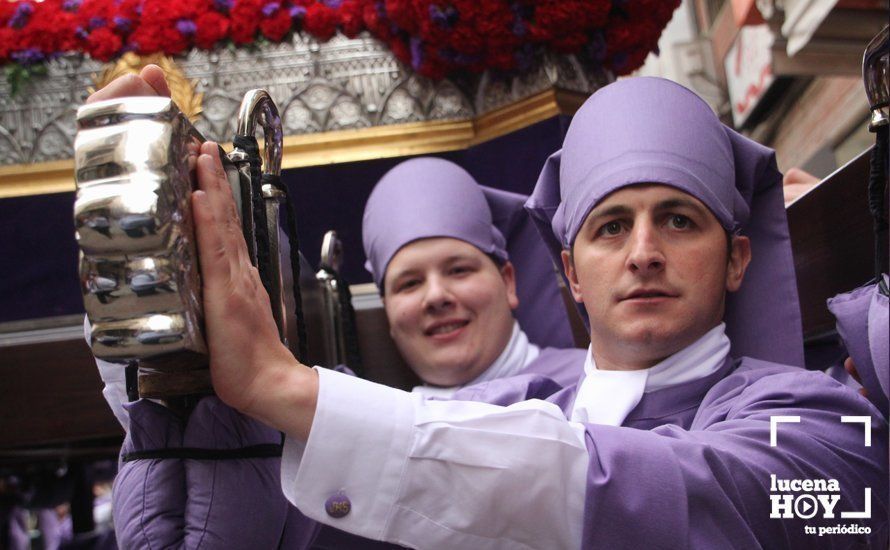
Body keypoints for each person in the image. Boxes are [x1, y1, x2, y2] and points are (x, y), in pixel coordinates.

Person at [95, 74, 887, 548]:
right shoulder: (496, 411)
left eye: (678, 219)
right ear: (571, 273)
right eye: (612, 226)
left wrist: (286, 388)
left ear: (738, 257)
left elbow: (688, 495)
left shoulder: (817, 419)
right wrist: (186, 371)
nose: (644, 251)